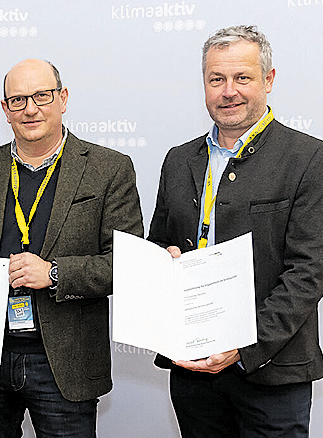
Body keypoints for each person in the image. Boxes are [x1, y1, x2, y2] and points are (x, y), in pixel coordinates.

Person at [0, 59, 143, 438]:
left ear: (63, 98)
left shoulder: (108, 168)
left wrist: (53, 273)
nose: (30, 109)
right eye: (18, 100)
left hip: (65, 362)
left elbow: (126, 265)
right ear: (5, 110)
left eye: (41, 96)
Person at [147, 25, 323, 438]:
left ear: (268, 80)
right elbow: (157, 242)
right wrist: (162, 260)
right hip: (191, 370)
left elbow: (309, 271)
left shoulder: (309, 158)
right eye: (216, 79)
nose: (229, 91)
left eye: (242, 78)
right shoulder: (178, 160)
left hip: (272, 372)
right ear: (204, 84)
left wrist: (243, 347)